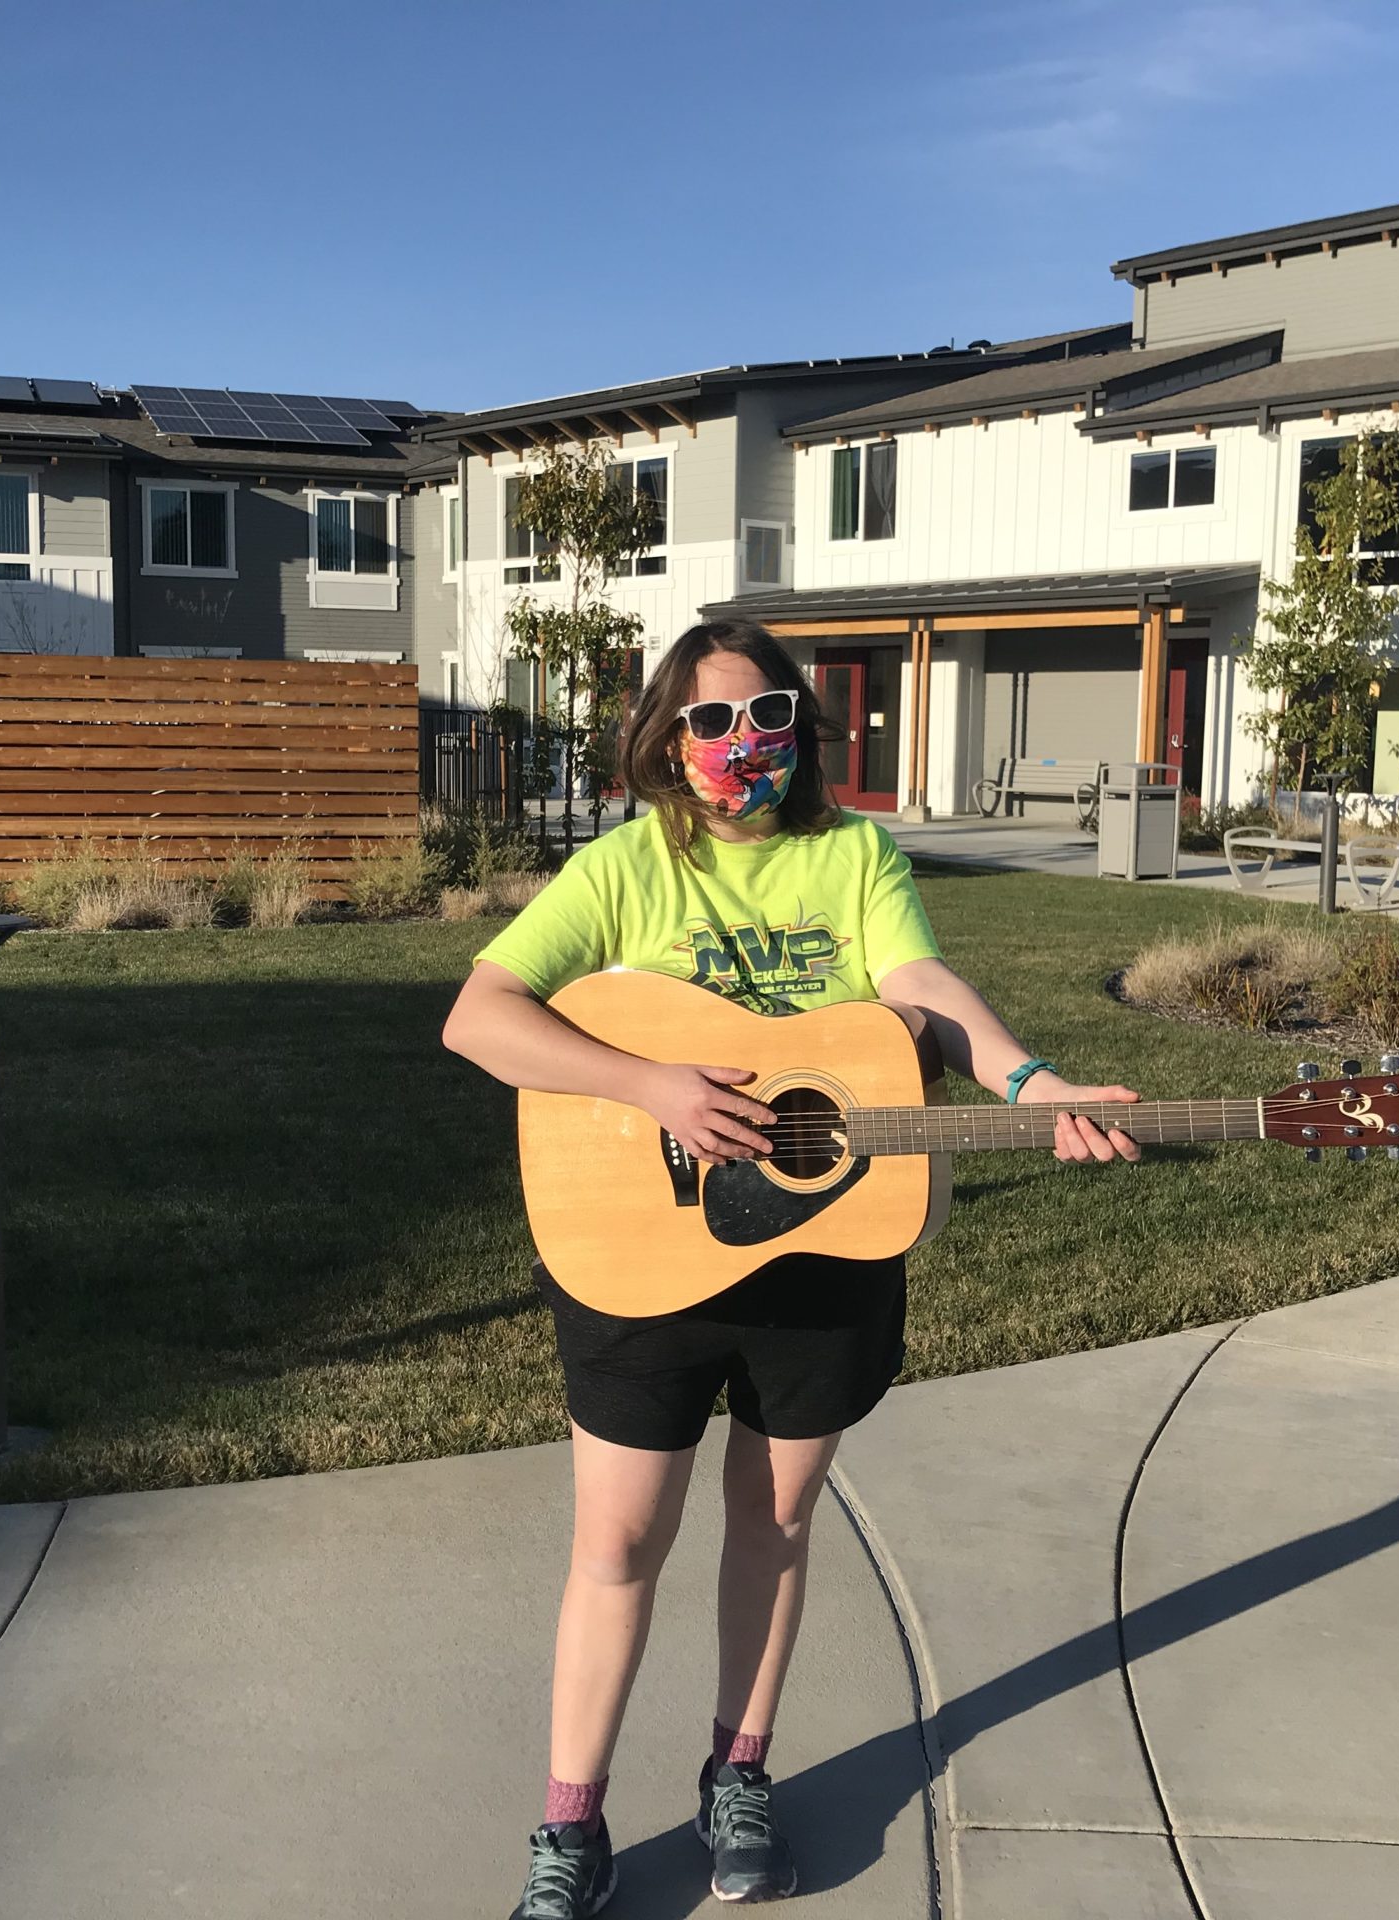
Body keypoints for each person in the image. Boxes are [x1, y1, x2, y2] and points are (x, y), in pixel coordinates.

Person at [443, 619, 1140, 1916]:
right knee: (617, 1542)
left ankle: (738, 1775)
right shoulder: (627, 869)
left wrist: (1032, 1082)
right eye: (708, 722)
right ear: (665, 736)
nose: (739, 744)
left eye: (766, 716)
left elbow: (918, 984)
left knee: (774, 1520)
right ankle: (571, 1824)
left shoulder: (851, 855)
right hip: (638, 1253)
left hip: (823, 1257)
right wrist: (646, 1079)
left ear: (799, 729)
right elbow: (479, 1016)